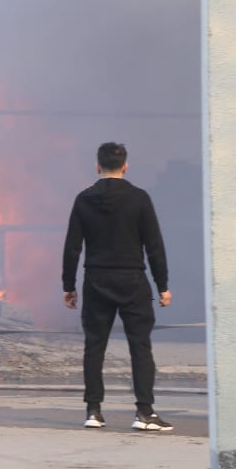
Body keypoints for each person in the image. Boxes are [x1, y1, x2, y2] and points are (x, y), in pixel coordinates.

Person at [62, 142, 172, 432]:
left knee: (94, 346)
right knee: (140, 347)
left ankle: (94, 411)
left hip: (96, 280)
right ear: (125, 166)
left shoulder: (84, 199)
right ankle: (144, 412)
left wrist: (68, 285)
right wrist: (163, 286)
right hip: (132, 280)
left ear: (98, 167)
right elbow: (154, 247)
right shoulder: (139, 199)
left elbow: (73, 247)